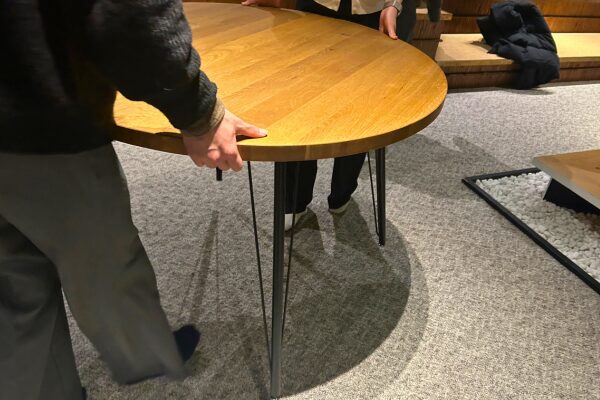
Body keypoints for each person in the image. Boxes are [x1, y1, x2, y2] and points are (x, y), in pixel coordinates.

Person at [0, 0, 265, 399]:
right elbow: (132, 15)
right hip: (42, 115)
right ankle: (146, 350)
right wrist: (199, 110)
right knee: (103, 258)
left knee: (16, 287)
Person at [243, 0, 440, 230]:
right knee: (300, 104)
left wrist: (393, 4)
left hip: (372, 10)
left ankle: (343, 192)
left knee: (360, 109)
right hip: (316, 6)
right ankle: (294, 201)